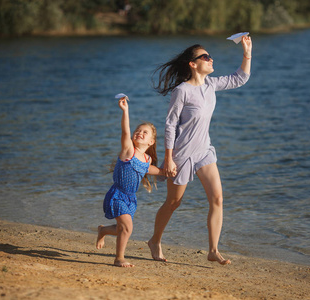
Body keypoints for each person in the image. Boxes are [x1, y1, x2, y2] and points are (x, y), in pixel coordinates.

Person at [148, 35, 252, 265]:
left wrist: (247, 51)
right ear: (193, 64)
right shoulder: (182, 91)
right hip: (182, 154)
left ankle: (213, 250)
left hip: (204, 151)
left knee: (217, 198)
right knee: (173, 203)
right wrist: (169, 158)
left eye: (210, 56)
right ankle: (155, 240)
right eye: (205, 57)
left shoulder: (211, 85)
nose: (211, 59)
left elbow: (240, 78)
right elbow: (170, 125)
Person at [96, 96, 173, 267]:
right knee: (127, 228)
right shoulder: (128, 150)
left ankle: (102, 230)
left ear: (151, 141)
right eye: (138, 130)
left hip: (131, 198)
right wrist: (125, 111)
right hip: (117, 195)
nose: (140, 133)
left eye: (145, 132)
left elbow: (154, 170)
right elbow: (125, 131)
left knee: (122, 229)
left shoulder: (146, 159)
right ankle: (119, 258)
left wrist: (168, 171)